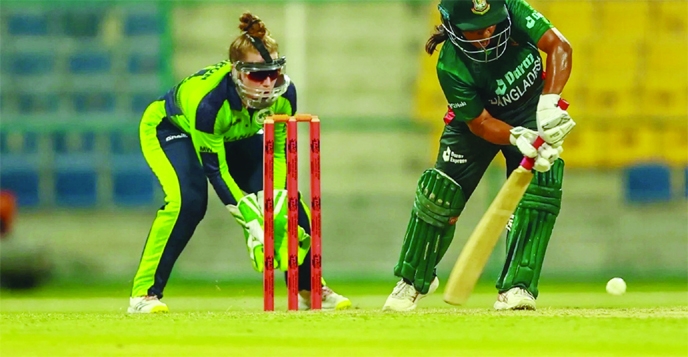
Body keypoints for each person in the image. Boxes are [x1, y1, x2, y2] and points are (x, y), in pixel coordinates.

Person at [128, 12, 351, 313]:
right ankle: (144, 295)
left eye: (274, 73)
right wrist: (251, 219)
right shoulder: (210, 104)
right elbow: (215, 171)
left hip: (235, 134)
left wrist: (277, 200)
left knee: (291, 205)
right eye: (258, 75)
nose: (268, 84)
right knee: (188, 203)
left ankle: (307, 288)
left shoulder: (285, 95)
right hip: (171, 128)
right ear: (237, 72)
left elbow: (278, 153)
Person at [383, 0, 575, 311]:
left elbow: (560, 47)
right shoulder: (450, 65)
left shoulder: (512, 9)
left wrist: (549, 105)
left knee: (541, 189)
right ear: (453, 27)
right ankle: (412, 279)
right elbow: (480, 123)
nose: (487, 34)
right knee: (439, 194)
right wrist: (514, 135)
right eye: (474, 30)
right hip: (476, 125)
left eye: (490, 25)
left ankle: (517, 287)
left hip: (530, 111)